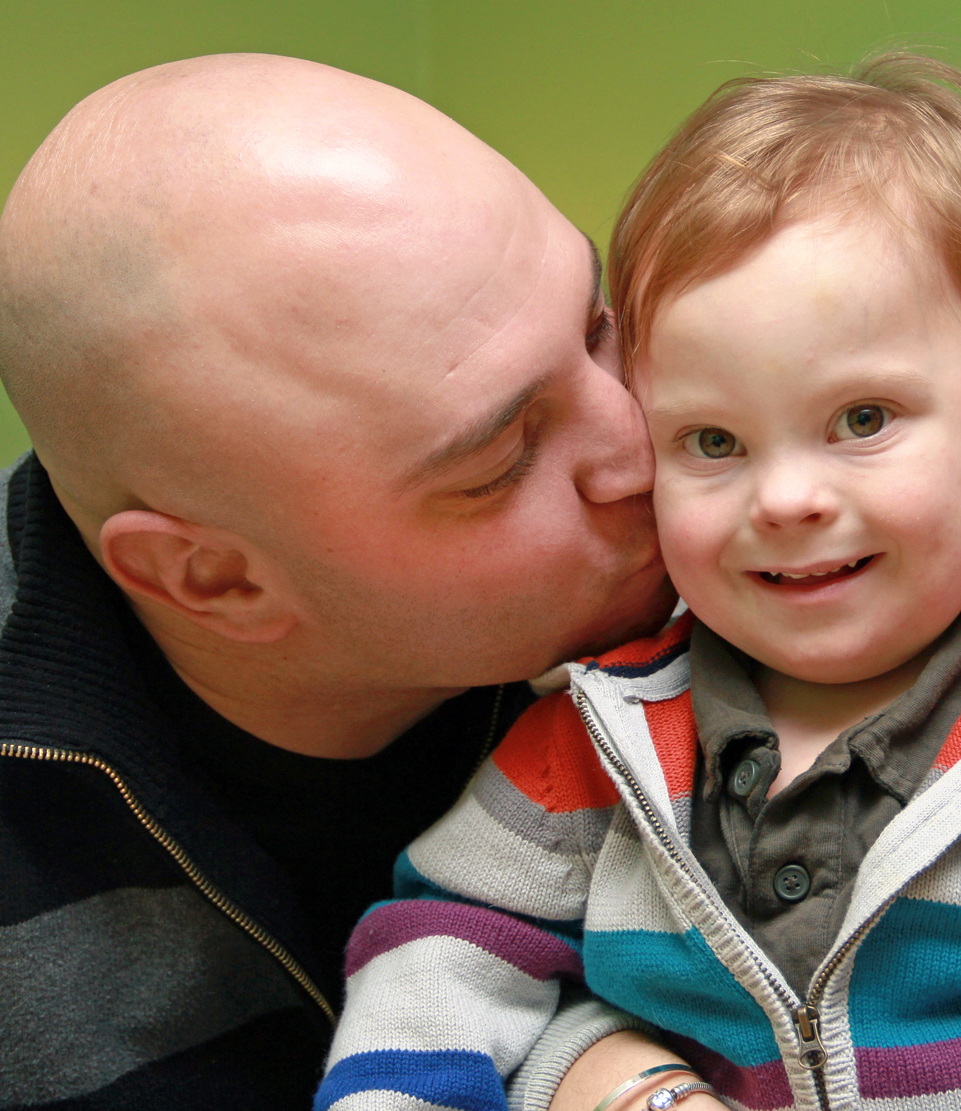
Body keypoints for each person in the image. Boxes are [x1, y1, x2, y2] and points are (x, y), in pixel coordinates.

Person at [317, 56, 961, 1111]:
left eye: (861, 419)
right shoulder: (590, 739)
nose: (785, 499)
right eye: (711, 440)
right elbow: (438, 950)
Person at [0, 54, 674, 1109]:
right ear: (214, 578)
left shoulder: (739, 559)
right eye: (500, 462)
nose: (643, 450)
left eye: (596, 327)